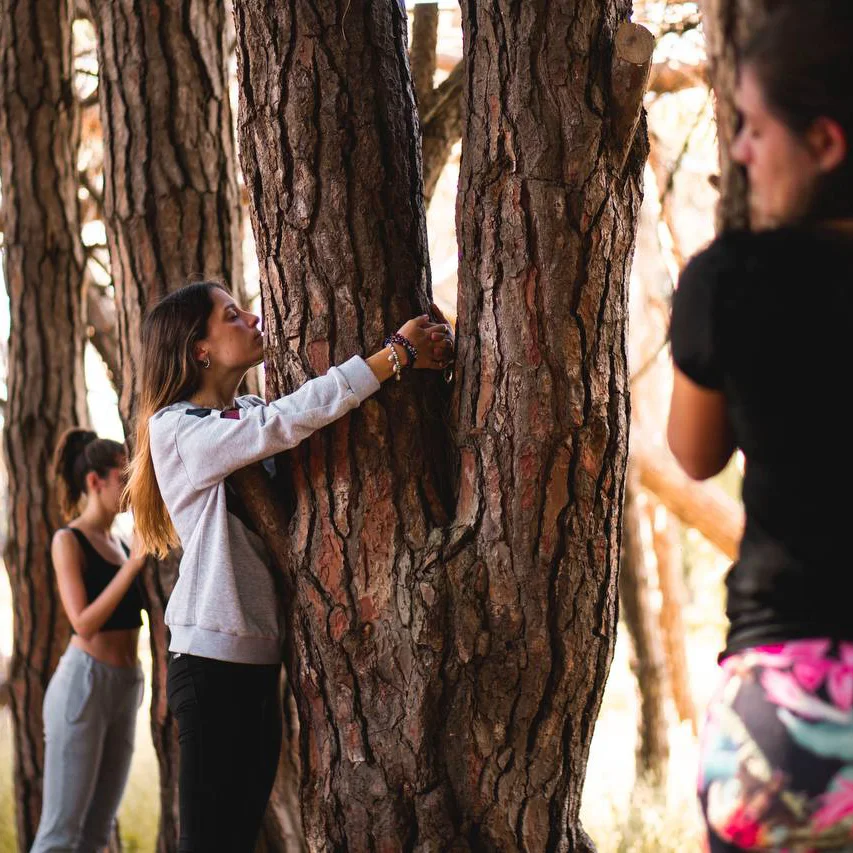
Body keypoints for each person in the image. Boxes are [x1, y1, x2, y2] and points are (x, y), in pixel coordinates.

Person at [125, 280, 454, 852]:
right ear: (199, 348)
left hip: (260, 662)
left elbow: (290, 414)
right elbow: (282, 423)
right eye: (232, 315)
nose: (254, 319)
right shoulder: (176, 429)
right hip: (209, 664)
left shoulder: (244, 410)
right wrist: (393, 356)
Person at [667, 3, 853, 850]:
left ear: (823, 143)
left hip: (790, 720)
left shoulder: (728, 280)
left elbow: (693, 453)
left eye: (752, 127)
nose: (740, 149)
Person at [31, 429, 146, 852]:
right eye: (122, 476)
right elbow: (82, 622)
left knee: (97, 834)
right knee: (60, 835)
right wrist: (133, 567)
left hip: (126, 685)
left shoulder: (120, 543)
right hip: (84, 684)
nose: (130, 485)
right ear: (95, 481)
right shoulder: (69, 540)